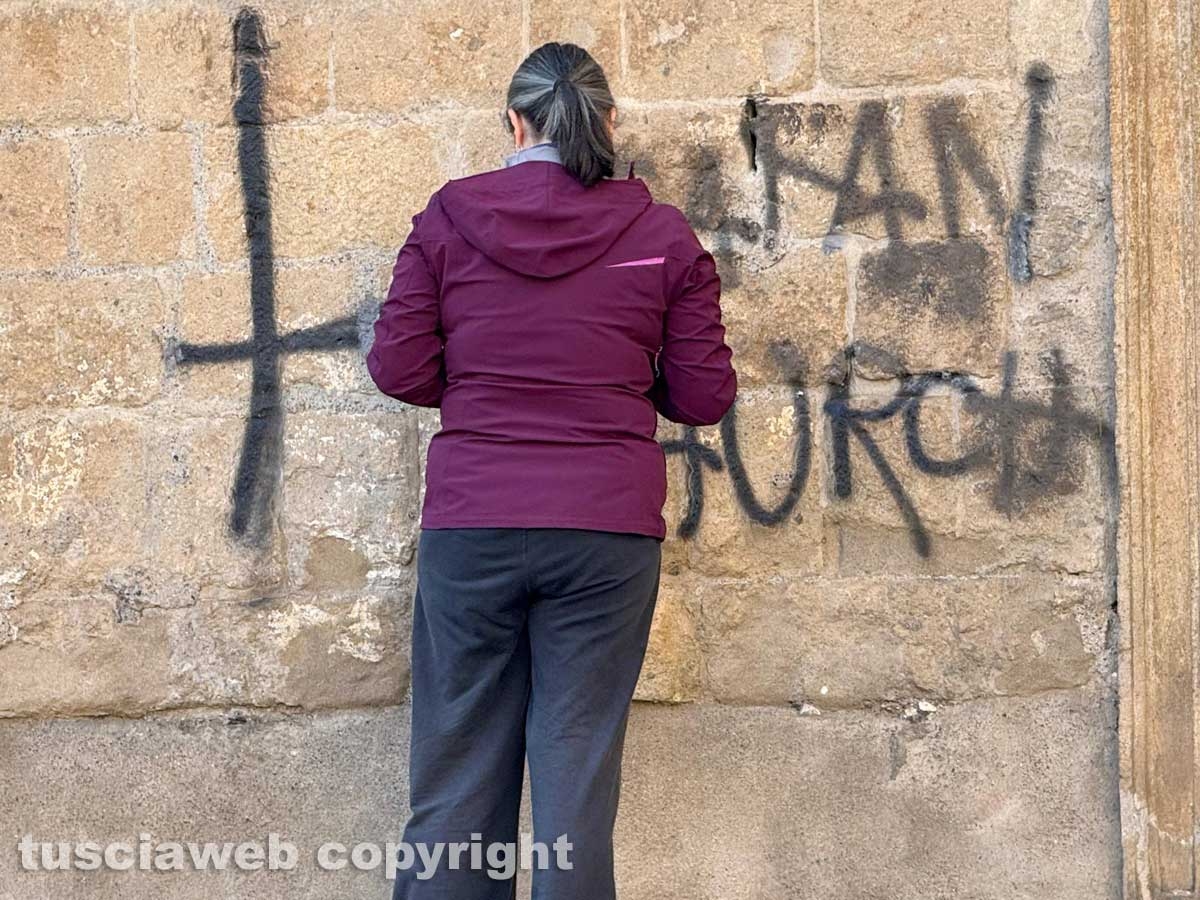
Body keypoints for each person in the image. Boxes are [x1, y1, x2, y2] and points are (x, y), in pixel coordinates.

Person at [366, 40, 736, 900]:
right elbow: (703, 394)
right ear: (608, 123)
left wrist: (483, 385)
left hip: (475, 521)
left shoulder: (449, 220)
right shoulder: (661, 236)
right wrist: (618, 378)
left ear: (514, 121)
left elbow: (398, 367)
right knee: (575, 785)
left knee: (457, 774)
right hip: (604, 532)